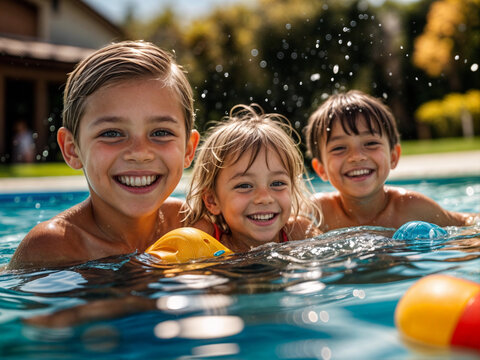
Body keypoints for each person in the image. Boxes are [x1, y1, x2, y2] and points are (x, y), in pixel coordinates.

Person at [7, 40, 199, 270]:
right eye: (111, 133)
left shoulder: (194, 221)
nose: (139, 153)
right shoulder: (53, 248)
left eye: (160, 132)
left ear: (189, 149)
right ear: (71, 148)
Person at [304, 90, 477, 232]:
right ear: (321, 169)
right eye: (339, 148)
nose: (357, 156)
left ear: (394, 156)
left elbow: (468, 223)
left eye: (371, 143)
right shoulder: (317, 214)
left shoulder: (413, 207)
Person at [183, 104, 322, 253]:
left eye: (277, 183)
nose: (264, 198)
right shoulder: (207, 239)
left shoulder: (299, 233)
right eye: (244, 186)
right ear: (212, 200)